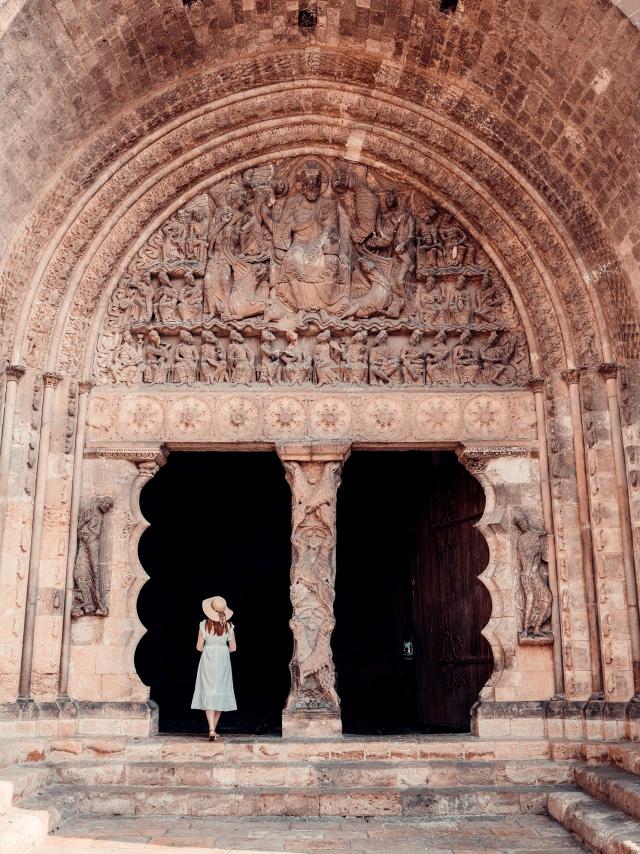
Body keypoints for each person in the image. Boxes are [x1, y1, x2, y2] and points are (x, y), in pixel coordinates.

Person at [191, 595, 237, 740]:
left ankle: (211, 728)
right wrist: (221, 650)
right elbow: (233, 647)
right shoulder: (229, 626)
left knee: (209, 690)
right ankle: (213, 729)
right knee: (220, 691)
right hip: (223, 660)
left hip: (208, 660)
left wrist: (210, 648)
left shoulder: (203, 625)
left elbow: (199, 647)